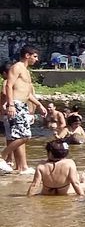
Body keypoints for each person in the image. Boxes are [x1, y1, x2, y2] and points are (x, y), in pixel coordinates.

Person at [3, 45, 48, 175]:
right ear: (27, 55)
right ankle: (2, 156)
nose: (37, 59)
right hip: (16, 104)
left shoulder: (26, 71)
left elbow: (27, 94)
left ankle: (21, 167)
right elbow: (9, 86)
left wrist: (39, 105)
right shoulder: (17, 67)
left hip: (22, 105)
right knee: (25, 136)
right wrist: (11, 104)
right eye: (35, 56)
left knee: (20, 135)